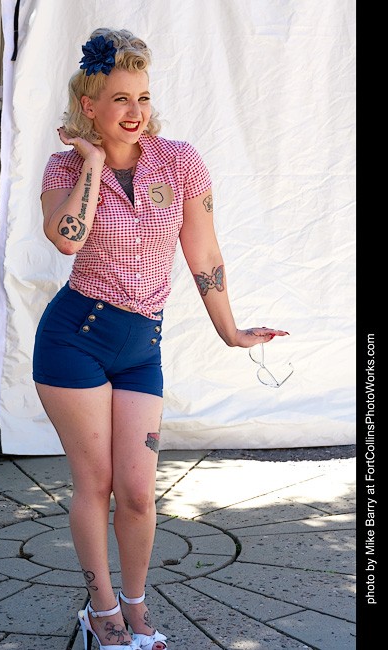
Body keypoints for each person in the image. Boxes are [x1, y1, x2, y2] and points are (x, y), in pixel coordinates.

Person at [33, 28, 289, 650]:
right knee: (95, 484)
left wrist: (230, 331)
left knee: (139, 494)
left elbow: (204, 253)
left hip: (141, 348)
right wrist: (93, 164)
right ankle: (101, 615)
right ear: (89, 105)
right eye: (120, 99)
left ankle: (136, 606)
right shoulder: (66, 165)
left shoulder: (179, 162)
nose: (135, 112)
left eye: (143, 97)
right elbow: (66, 239)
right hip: (75, 340)